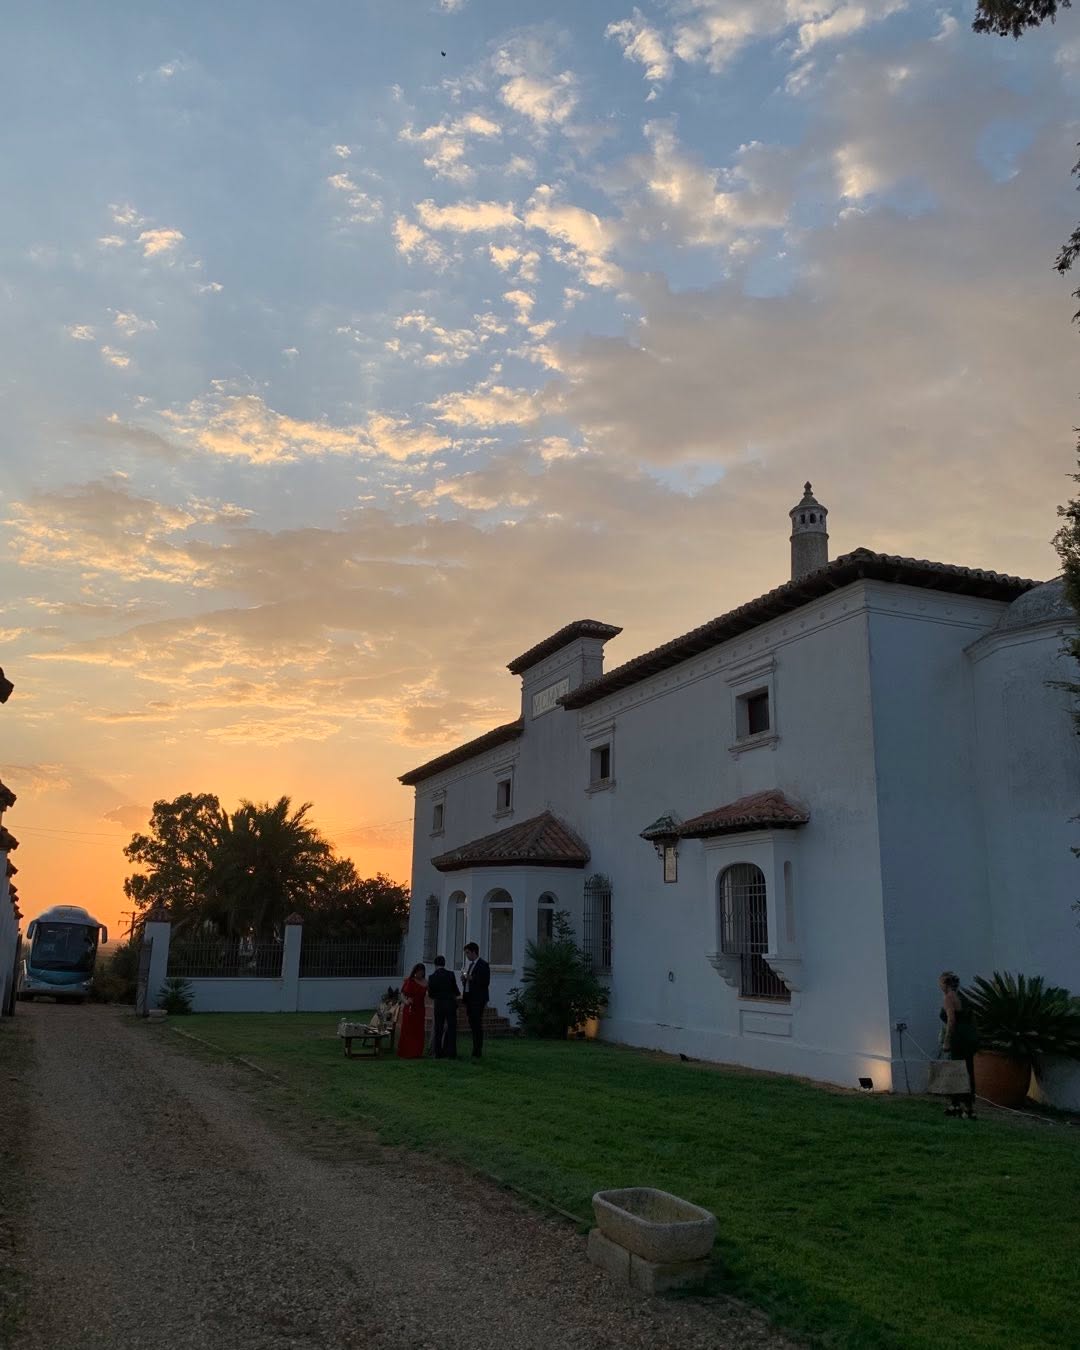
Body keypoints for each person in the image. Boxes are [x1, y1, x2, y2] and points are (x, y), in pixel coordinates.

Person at [939, 970, 979, 1118]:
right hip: (969, 1038)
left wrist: (947, 1041)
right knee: (967, 1069)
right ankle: (961, 1105)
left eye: (941, 982)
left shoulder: (949, 998)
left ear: (945, 984)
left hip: (959, 1038)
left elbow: (951, 1020)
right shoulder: (963, 997)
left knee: (957, 1071)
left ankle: (961, 1106)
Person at [460, 941, 490, 1060]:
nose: (466, 955)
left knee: (477, 1023)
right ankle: (475, 1047)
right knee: (472, 1023)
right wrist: (464, 979)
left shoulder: (483, 964)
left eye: (467, 953)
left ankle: (477, 1049)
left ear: (474, 952)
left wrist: (471, 978)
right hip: (469, 997)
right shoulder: (470, 965)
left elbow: (485, 982)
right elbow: (469, 981)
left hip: (478, 999)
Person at [427, 955, 460, 1059]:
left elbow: (431, 994)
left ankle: (438, 1053)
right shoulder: (450, 974)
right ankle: (451, 1052)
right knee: (451, 1029)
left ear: (435, 964)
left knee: (438, 1028)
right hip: (450, 1004)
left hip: (439, 1004)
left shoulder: (432, 977)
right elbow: (456, 990)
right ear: (444, 963)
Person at [397, 963, 428, 1059]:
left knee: (418, 1030)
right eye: (418, 972)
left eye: (422, 972)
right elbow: (402, 994)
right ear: (415, 972)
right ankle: (407, 1051)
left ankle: (417, 1052)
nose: (420, 974)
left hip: (420, 1009)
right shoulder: (409, 981)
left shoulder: (426, 982)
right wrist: (406, 1001)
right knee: (408, 1030)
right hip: (410, 1008)